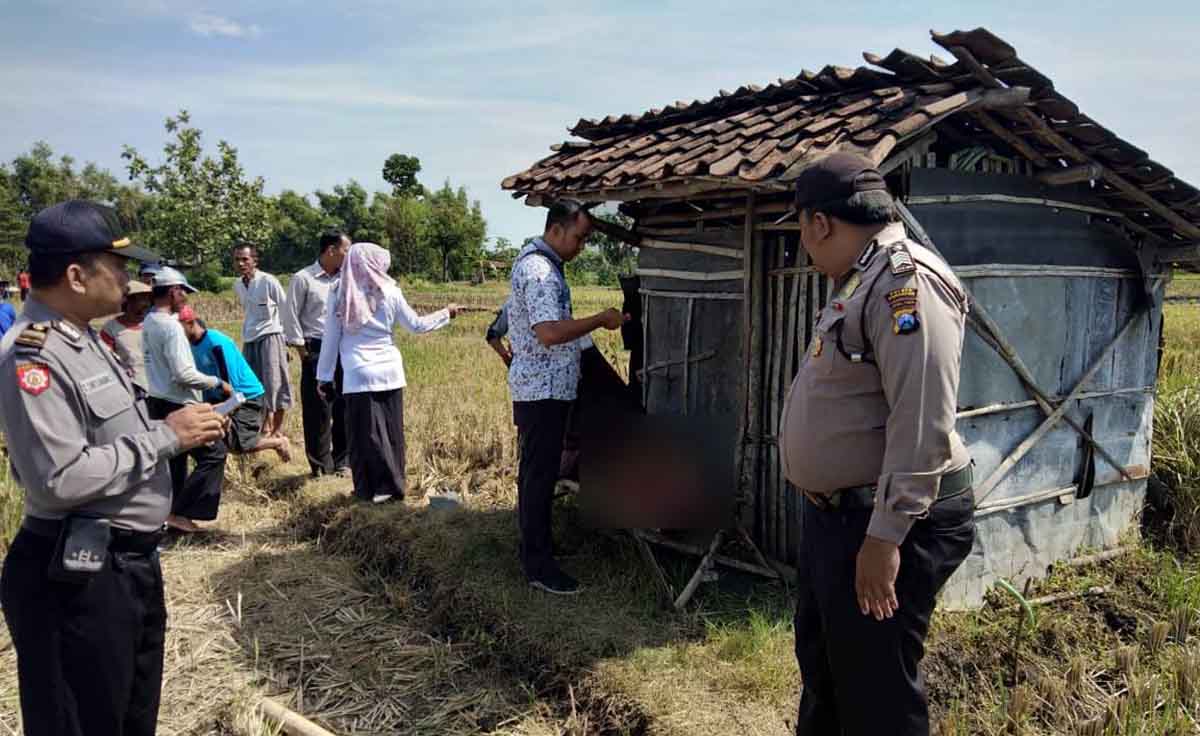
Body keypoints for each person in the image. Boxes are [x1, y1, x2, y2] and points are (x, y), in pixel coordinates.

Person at [0, 200, 226, 736]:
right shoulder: (33, 355)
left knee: (128, 719)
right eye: (118, 266)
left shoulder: (87, 339)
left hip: (124, 567)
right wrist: (168, 437)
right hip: (75, 576)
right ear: (76, 275)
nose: (131, 277)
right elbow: (58, 480)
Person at [777, 152, 975, 736]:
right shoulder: (863, 278)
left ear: (819, 222)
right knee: (826, 671)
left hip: (884, 523)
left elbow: (922, 420)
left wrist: (885, 538)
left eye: (803, 234)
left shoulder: (905, 283)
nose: (807, 251)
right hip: (841, 519)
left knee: (877, 697)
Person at [507, 200, 624, 595]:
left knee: (537, 473)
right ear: (556, 230)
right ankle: (538, 567)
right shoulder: (539, 272)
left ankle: (537, 549)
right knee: (539, 476)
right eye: (580, 237)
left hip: (548, 387)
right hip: (542, 392)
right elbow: (550, 333)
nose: (582, 246)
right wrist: (600, 320)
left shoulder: (543, 265)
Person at [315, 242, 458, 503]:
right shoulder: (390, 291)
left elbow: (331, 338)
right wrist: (445, 313)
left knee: (362, 435)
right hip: (390, 371)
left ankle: (367, 490)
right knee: (391, 433)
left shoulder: (340, 291)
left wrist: (324, 377)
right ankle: (393, 487)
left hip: (358, 373)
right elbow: (416, 325)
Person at [485, 297, 626, 482]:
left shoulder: (513, 304)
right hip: (572, 360)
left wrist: (508, 359)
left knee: (559, 425)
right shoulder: (550, 295)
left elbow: (492, 335)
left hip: (550, 371)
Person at [144, 266, 233, 533]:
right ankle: (182, 514)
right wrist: (218, 382)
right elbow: (183, 374)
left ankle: (171, 515)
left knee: (176, 461)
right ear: (173, 291)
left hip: (157, 398)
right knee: (214, 454)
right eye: (183, 292)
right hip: (177, 401)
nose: (185, 298)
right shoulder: (171, 326)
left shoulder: (149, 321)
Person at [179, 306, 292, 462]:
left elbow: (230, 383)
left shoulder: (216, 342)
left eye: (178, 329)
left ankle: (278, 442)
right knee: (219, 442)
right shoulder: (190, 346)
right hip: (219, 398)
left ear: (190, 323)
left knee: (239, 445)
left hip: (245, 396)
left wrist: (227, 409)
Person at [284, 230, 350, 477]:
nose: (348, 255)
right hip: (316, 347)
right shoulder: (304, 278)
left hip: (344, 348)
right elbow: (290, 317)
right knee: (318, 411)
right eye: (345, 250)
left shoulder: (347, 278)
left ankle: (343, 461)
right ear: (331, 250)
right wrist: (303, 353)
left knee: (344, 406)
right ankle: (321, 467)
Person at [232, 243, 292, 438]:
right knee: (252, 384)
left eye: (245, 259)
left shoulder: (268, 281)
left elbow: (285, 309)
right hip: (250, 337)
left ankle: (277, 430)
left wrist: (287, 340)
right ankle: (262, 426)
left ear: (254, 261)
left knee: (275, 382)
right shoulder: (238, 285)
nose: (241, 263)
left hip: (271, 335)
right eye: (237, 259)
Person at [100, 280, 154, 393]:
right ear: (128, 301)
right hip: (133, 388)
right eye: (142, 299)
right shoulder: (110, 329)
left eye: (148, 299)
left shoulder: (153, 323)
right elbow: (106, 362)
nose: (147, 304)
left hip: (159, 388)